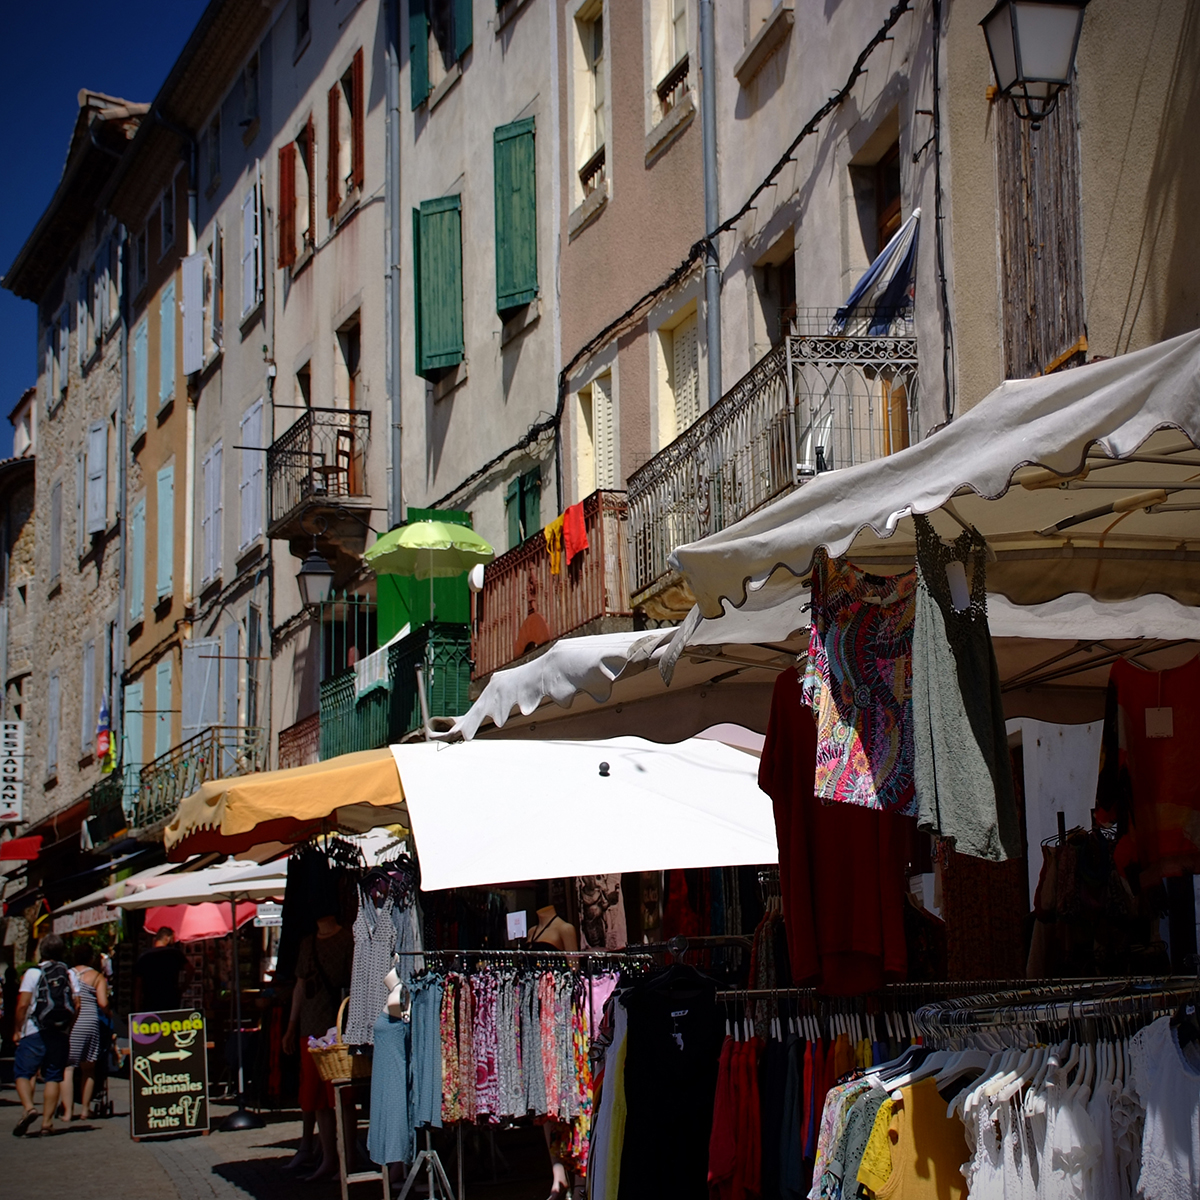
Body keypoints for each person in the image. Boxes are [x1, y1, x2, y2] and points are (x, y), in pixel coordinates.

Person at [282, 906, 354, 1182]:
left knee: (340, 1097)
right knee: (318, 1100)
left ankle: (347, 1158)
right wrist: (291, 1027)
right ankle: (328, 1158)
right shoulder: (307, 943)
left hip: (337, 1025)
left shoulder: (347, 938)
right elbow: (300, 985)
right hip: (310, 1029)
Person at [12, 934, 80, 1138]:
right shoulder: (69, 973)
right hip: (60, 1033)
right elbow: (77, 1005)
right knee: (53, 1076)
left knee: (23, 1073)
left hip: (35, 1031)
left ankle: (29, 1107)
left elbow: (23, 1004)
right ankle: (47, 1123)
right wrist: (69, 1027)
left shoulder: (33, 973)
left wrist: (17, 1029)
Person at [60, 943, 108, 1121]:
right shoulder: (96, 976)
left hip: (72, 1022)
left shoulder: (67, 974)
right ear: (91, 958)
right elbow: (102, 1003)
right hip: (89, 1021)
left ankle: (67, 1111)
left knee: (68, 1068)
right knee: (89, 1068)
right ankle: (85, 1109)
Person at [133, 927, 190, 1012]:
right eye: (172, 939)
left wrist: (136, 1009)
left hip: (150, 1001)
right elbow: (190, 970)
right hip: (171, 999)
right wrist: (183, 988)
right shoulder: (174, 953)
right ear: (167, 938)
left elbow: (138, 985)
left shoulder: (144, 957)